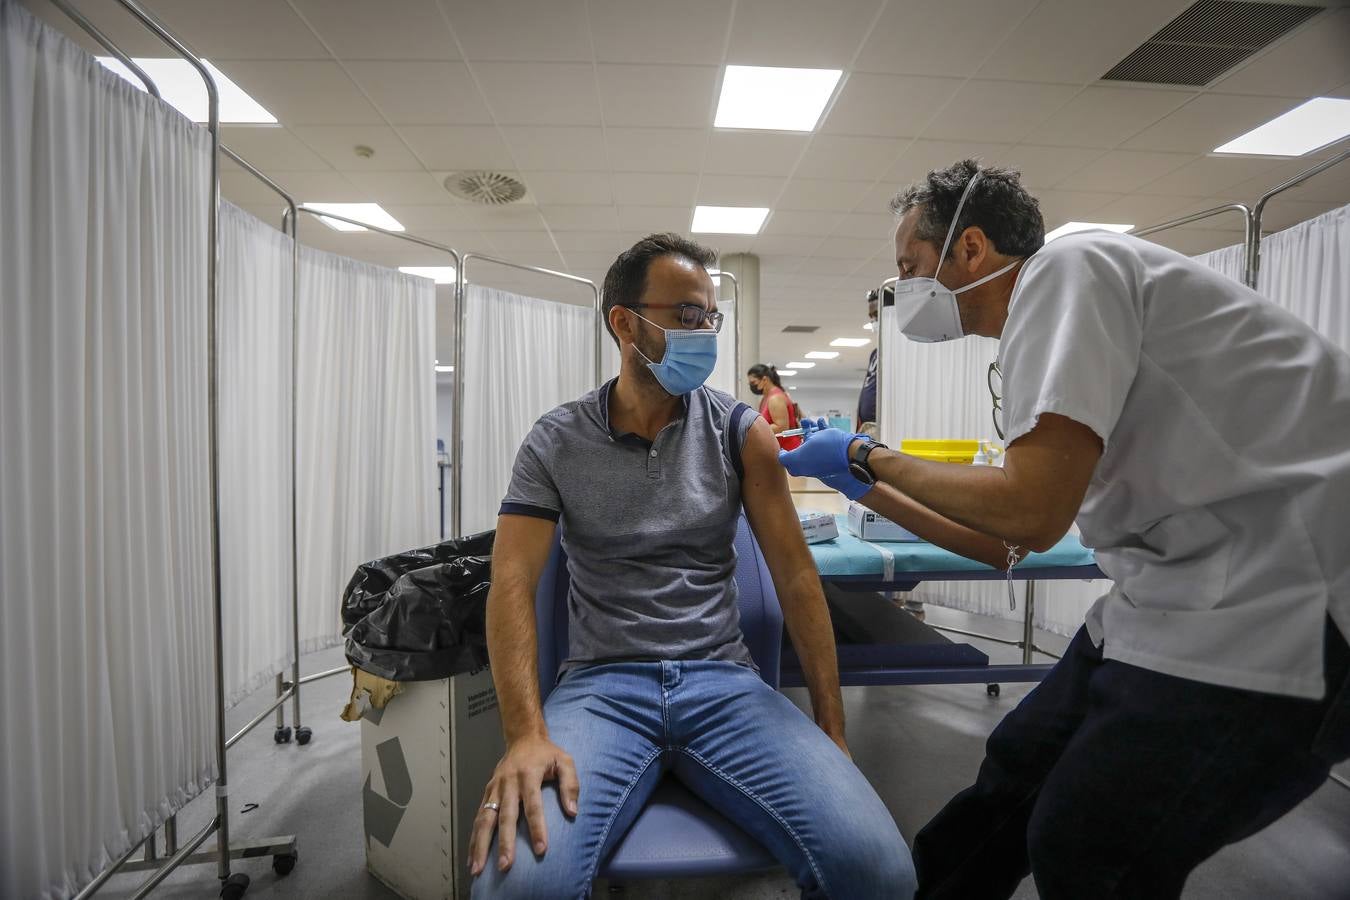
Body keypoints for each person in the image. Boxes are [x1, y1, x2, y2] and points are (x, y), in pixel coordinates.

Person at [779, 160, 1350, 900]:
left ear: (972, 248)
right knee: (999, 798)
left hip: (1290, 608)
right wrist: (870, 487)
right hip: (1181, 593)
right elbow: (1012, 546)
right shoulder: (1052, 323)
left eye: (911, 269)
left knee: (1091, 848)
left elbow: (1027, 511)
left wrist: (867, 453)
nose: (904, 292)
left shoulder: (1069, 268)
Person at [468, 233, 915, 900]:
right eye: (686, 316)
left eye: (710, 316)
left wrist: (833, 732)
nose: (704, 331)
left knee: (879, 871)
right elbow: (510, 585)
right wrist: (526, 735)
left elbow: (797, 578)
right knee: (518, 890)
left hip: (723, 685)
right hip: (602, 687)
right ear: (625, 323)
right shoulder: (555, 441)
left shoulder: (742, 432)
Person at [855, 286, 892, 441]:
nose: (873, 321)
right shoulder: (876, 354)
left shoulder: (897, 353)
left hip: (887, 429)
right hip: (868, 428)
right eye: (871, 316)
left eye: (876, 315)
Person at [747, 363, 802, 450]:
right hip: (778, 448)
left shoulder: (775, 398)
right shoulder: (765, 398)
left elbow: (781, 427)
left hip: (789, 449)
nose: (751, 386)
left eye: (753, 382)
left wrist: (753, 430)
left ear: (765, 379)